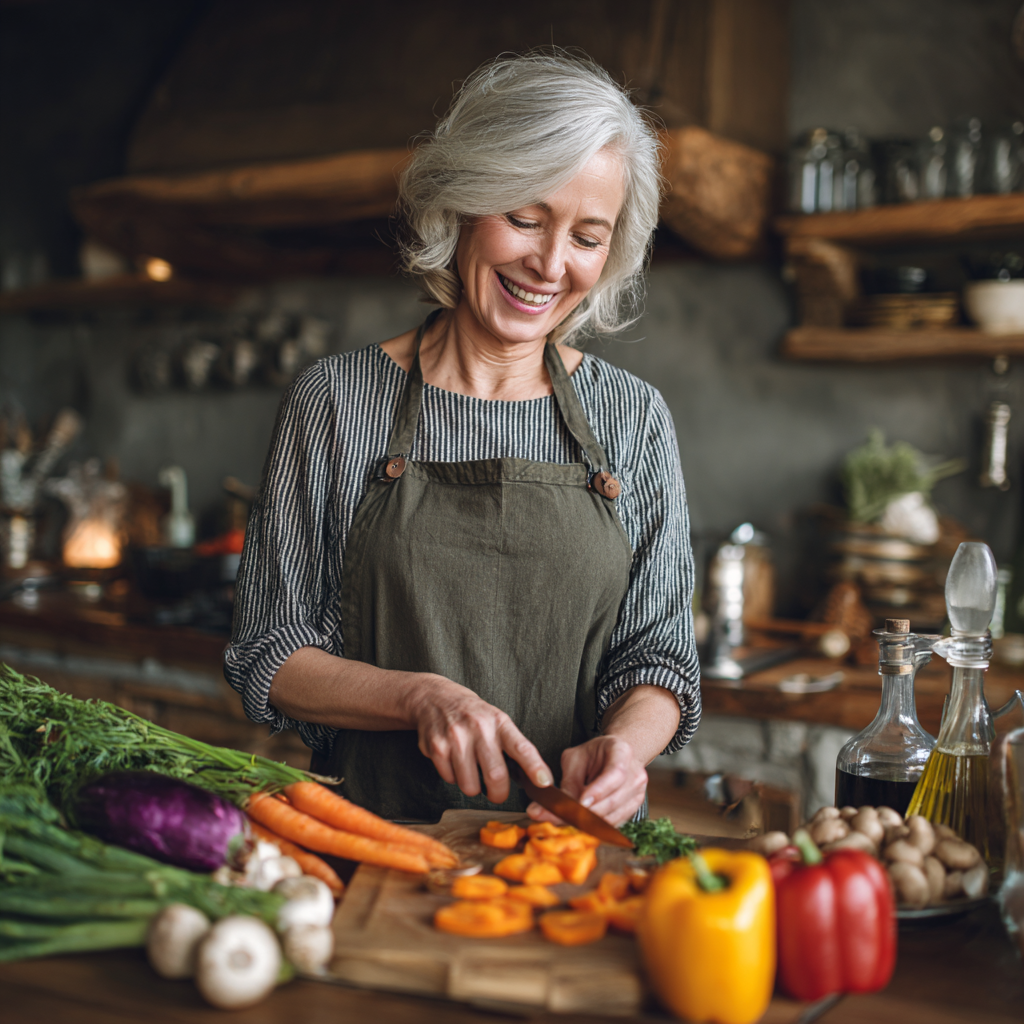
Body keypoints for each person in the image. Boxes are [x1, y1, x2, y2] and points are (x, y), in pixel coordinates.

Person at [225, 52, 700, 826]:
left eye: (587, 236)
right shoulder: (338, 402)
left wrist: (625, 747)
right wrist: (418, 696)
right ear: (462, 204)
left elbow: (658, 657)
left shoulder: (633, 418)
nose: (550, 265)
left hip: (568, 851)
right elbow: (269, 649)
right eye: (524, 218)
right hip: (377, 837)